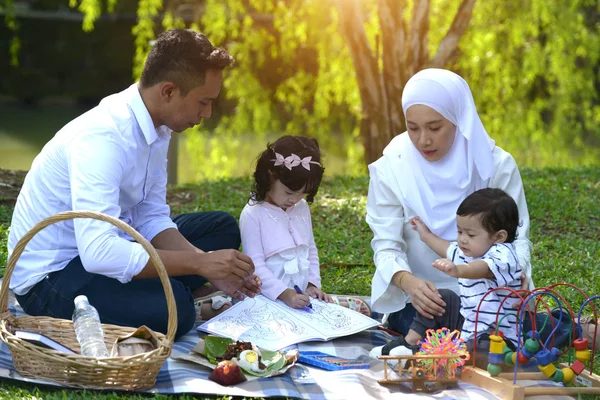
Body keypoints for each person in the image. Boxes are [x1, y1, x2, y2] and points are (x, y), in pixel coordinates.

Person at [7, 28, 261, 339]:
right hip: (54, 276)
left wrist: (208, 266)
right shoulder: (103, 138)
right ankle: (174, 290)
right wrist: (200, 263)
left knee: (221, 228)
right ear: (168, 91)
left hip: (112, 246)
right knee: (177, 311)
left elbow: (150, 216)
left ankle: (166, 286)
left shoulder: (158, 126)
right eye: (203, 102)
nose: (207, 114)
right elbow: (98, 253)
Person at [366, 68, 596, 355]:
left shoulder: (495, 164)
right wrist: (407, 282)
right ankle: (565, 329)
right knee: (442, 331)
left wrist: (519, 274)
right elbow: (386, 246)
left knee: (492, 331)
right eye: (413, 128)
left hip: (490, 293)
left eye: (435, 127)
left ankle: (569, 329)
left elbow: (517, 237)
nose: (423, 139)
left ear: (459, 119)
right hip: (425, 301)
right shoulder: (391, 168)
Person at [239, 135, 370, 314]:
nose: (294, 200)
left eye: (303, 194)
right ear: (270, 176)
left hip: (300, 298)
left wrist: (312, 284)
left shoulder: (300, 208)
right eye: (289, 192)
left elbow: (310, 249)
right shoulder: (253, 214)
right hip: (268, 297)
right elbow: (255, 267)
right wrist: (286, 295)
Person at [393, 188, 523, 352]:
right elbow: (447, 248)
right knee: (441, 297)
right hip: (468, 329)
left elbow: (483, 268)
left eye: (470, 234)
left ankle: (437, 353)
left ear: (498, 237)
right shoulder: (470, 251)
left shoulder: (504, 255)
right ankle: (410, 343)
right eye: (460, 231)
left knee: (481, 347)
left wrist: (459, 270)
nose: (462, 239)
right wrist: (425, 235)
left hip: (498, 338)